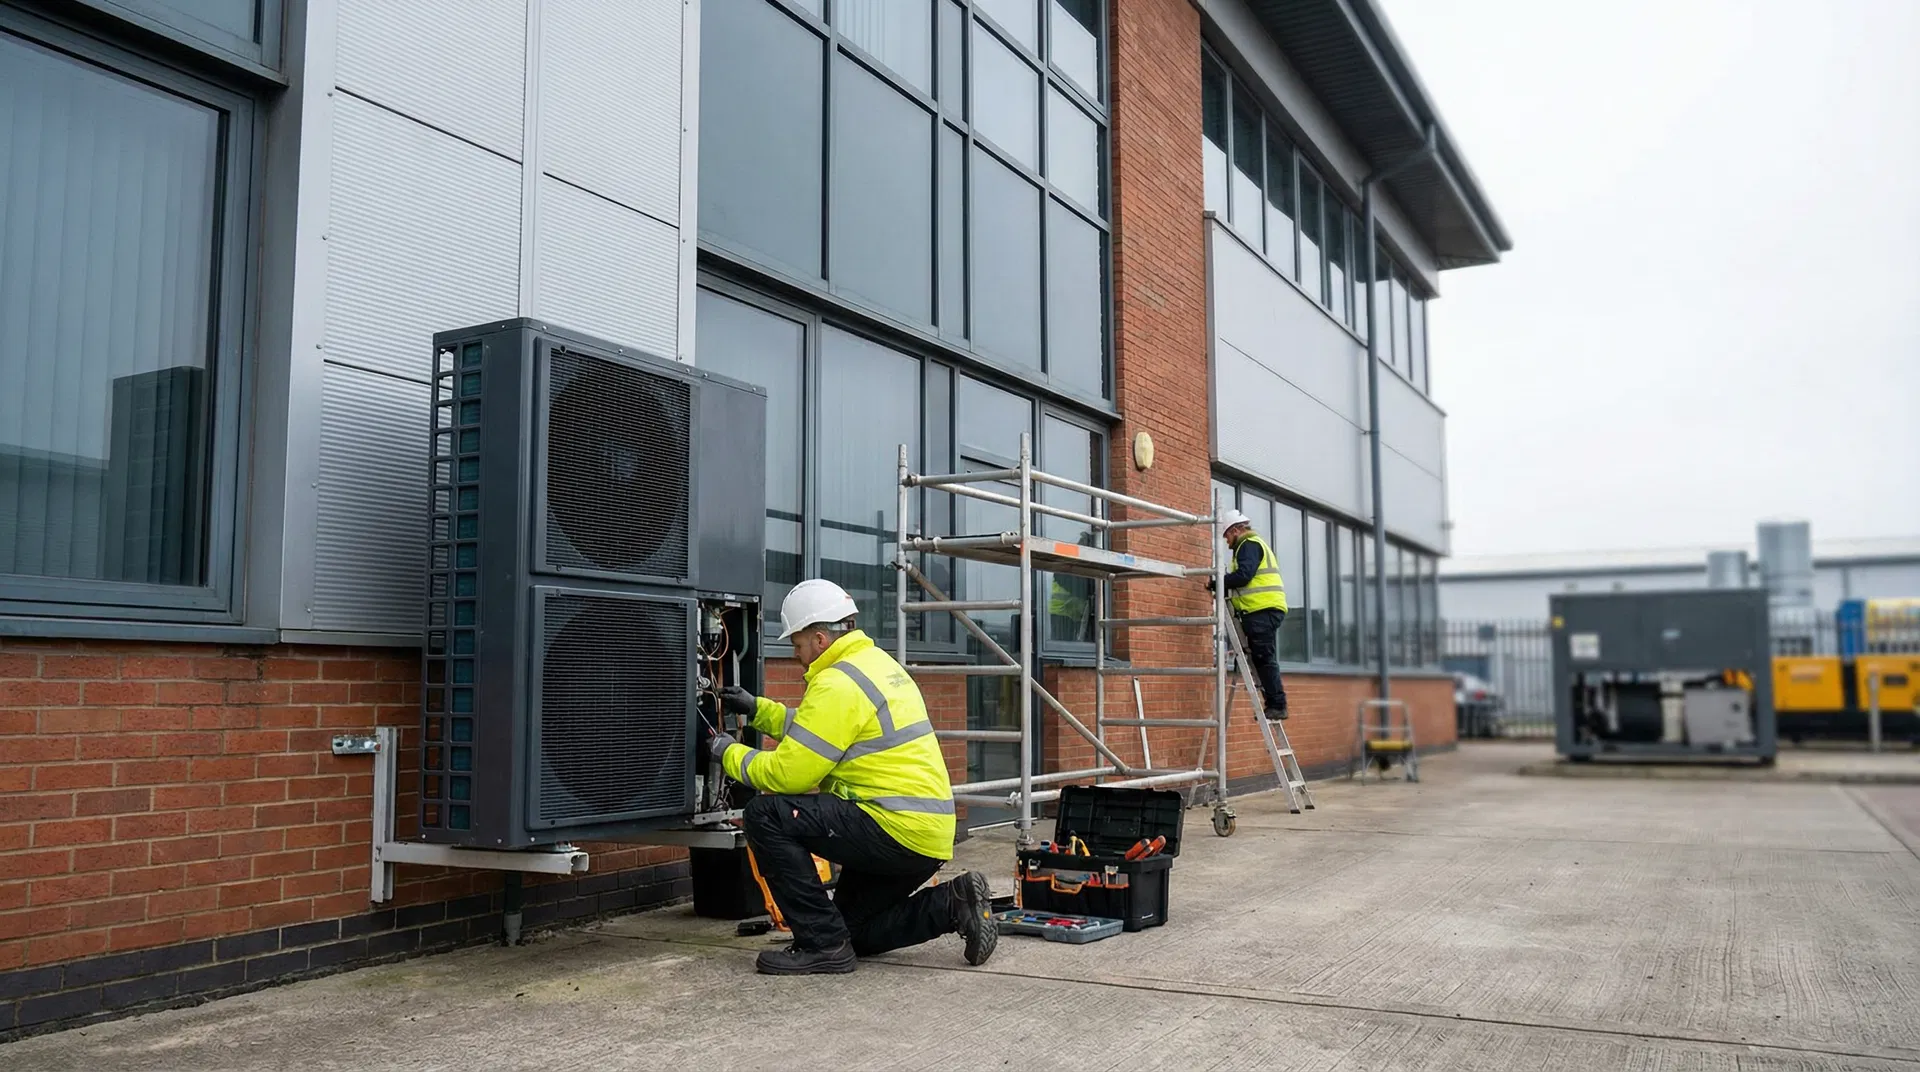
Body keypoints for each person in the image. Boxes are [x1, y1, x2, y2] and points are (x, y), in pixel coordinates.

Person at [710, 578, 997, 975]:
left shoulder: (837, 682)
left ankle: (821, 947)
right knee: (851, 931)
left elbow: (788, 774)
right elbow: (821, 732)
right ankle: (952, 902)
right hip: (923, 835)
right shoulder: (876, 665)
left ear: (821, 638)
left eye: (797, 644)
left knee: (765, 814)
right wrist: (758, 709)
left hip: (891, 827)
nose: (795, 654)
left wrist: (727, 753)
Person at [1207, 508, 1290, 720]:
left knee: (1264, 658)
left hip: (1261, 610)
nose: (1226, 541)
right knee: (1262, 657)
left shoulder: (1248, 545)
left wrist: (1217, 582)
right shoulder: (1251, 546)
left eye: (1226, 535)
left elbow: (1243, 576)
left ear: (1236, 530)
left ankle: (1277, 705)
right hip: (1261, 609)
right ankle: (1274, 703)